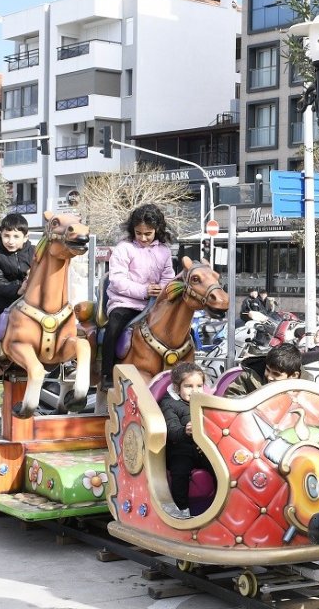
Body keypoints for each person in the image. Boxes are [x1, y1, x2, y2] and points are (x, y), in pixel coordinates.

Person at [101, 204, 176, 390]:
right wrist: (144, 290)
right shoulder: (123, 248)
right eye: (139, 233)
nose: (143, 238)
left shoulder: (164, 251)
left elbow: (168, 277)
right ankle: (106, 374)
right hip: (125, 302)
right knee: (113, 327)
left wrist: (162, 288)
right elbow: (117, 280)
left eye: (148, 234)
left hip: (155, 305)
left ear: (157, 230)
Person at [0, 213, 34, 381]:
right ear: (1, 235)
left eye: (16, 236)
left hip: (30, 297)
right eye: (7, 236)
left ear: (26, 237)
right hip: (3, 296)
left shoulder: (34, 252)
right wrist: (18, 288)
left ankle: (63, 358)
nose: (11, 241)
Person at [159, 362, 210, 519]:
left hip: (202, 448)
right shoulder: (169, 404)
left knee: (223, 466)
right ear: (176, 387)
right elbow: (173, 431)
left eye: (199, 386)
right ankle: (182, 510)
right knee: (180, 471)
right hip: (180, 448)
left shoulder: (206, 401)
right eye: (188, 386)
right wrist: (185, 430)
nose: (195, 391)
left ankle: (225, 502)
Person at [224, 341, 306, 397]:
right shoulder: (248, 377)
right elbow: (230, 397)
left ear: (294, 375)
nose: (269, 377)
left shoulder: (307, 387)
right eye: (267, 370)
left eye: (276, 374)